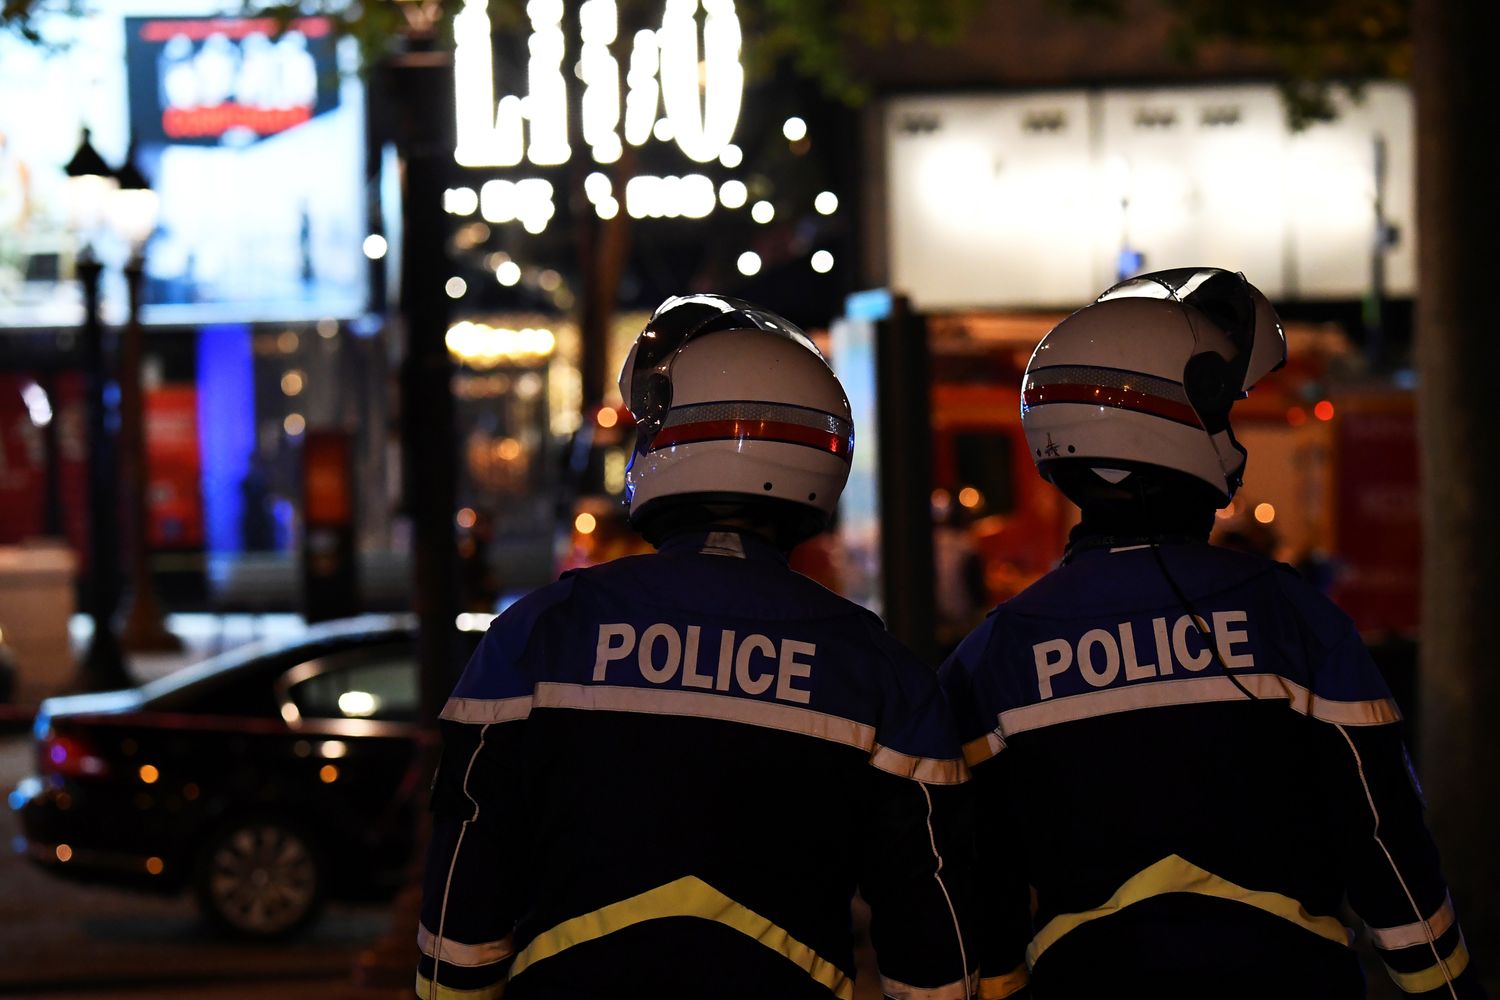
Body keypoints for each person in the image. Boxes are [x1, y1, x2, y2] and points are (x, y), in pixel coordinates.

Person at [940, 268, 1481, 998]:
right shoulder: (1293, 620)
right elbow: (1384, 841)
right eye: (1222, 412)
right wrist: (1448, 989)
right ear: (1177, 422)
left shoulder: (990, 657)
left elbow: (978, 886)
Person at [417, 294, 975, 1000]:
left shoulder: (540, 633)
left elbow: (463, 913)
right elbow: (933, 955)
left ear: (669, 446)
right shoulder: (880, 673)